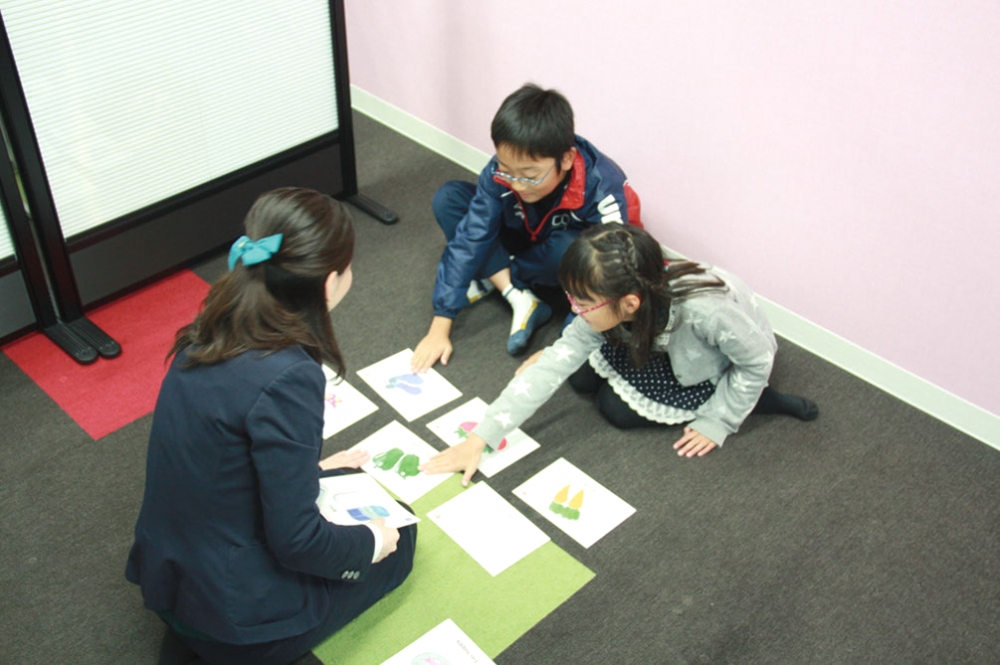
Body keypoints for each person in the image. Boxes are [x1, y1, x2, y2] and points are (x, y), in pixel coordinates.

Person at [126, 188, 416, 665]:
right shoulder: (290, 375)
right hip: (234, 618)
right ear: (328, 284)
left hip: (169, 578)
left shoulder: (210, 326)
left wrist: (314, 468)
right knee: (401, 537)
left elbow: (218, 458)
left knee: (345, 489)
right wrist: (371, 543)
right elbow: (297, 542)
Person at [421, 223, 818, 485]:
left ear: (628, 303)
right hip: (651, 338)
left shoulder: (706, 311)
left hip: (713, 363)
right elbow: (557, 364)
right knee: (576, 373)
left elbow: (757, 358)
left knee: (615, 409)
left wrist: (720, 420)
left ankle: (760, 400)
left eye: (582, 301)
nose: (572, 307)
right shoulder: (619, 302)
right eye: (570, 297)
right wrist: (481, 438)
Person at [411, 83, 642, 372]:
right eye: (508, 171)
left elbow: (608, 276)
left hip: (559, 264)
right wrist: (440, 325)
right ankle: (517, 295)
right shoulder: (502, 171)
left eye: (530, 176)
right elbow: (471, 236)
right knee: (450, 198)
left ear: (567, 159)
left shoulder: (602, 187)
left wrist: (561, 348)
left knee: (575, 249)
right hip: (522, 238)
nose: (518, 184)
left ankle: (498, 279)